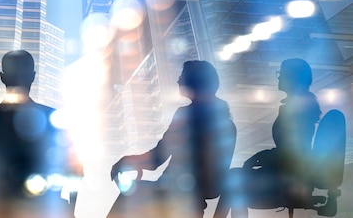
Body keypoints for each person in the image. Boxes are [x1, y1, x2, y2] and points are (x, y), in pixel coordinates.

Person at [0, 50, 82, 218]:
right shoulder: (55, 120)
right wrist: (69, 213)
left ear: (2, 77)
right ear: (33, 76)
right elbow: (75, 171)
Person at [109, 61, 237, 218]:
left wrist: (127, 161)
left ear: (193, 81)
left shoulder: (186, 116)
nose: (178, 80)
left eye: (182, 76)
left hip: (172, 199)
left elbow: (158, 157)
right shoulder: (226, 124)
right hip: (191, 204)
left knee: (128, 197)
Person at [214, 58, 321, 217]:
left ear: (292, 77)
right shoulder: (300, 106)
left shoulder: (296, 109)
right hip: (288, 173)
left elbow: (291, 151)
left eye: (281, 74)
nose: (278, 77)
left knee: (234, 179)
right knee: (235, 178)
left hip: (287, 179)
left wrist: (259, 157)